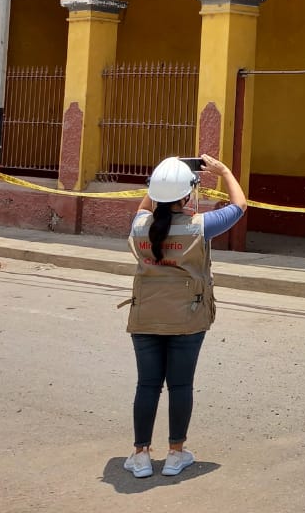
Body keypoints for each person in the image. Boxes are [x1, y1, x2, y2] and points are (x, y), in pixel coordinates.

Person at [121, 153, 247, 478]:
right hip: (188, 318)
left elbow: (144, 208)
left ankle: (140, 455)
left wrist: (160, 178)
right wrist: (224, 171)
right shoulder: (199, 227)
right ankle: (175, 454)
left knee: (147, 385)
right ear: (187, 194)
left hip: (145, 316)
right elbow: (240, 206)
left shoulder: (139, 227)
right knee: (180, 386)